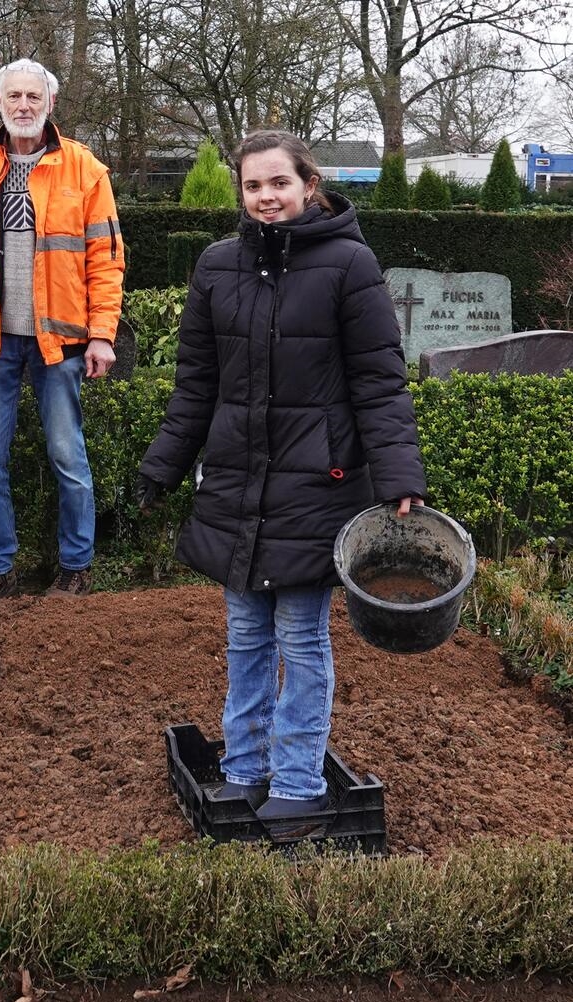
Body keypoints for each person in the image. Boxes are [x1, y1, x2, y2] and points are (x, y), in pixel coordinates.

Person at [136, 130, 426, 837]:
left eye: (278, 184)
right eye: (253, 186)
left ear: (308, 184)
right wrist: (162, 467)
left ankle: (295, 781)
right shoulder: (216, 267)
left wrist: (398, 477)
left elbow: (379, 382)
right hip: (238, 484)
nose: (266, 198)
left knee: (301, 639)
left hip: (317, 485)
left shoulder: (350, 265)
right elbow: (195, 386)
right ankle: (244, 767)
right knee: (244, 637)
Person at [0, 58, 124, 603]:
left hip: (59, 342)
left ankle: (76, 568)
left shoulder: (85, 171)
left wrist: (101, 333)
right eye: (13, 96)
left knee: (69, 458)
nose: (23, 105)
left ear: (50, 104)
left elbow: (106, 261)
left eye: (32, 97)